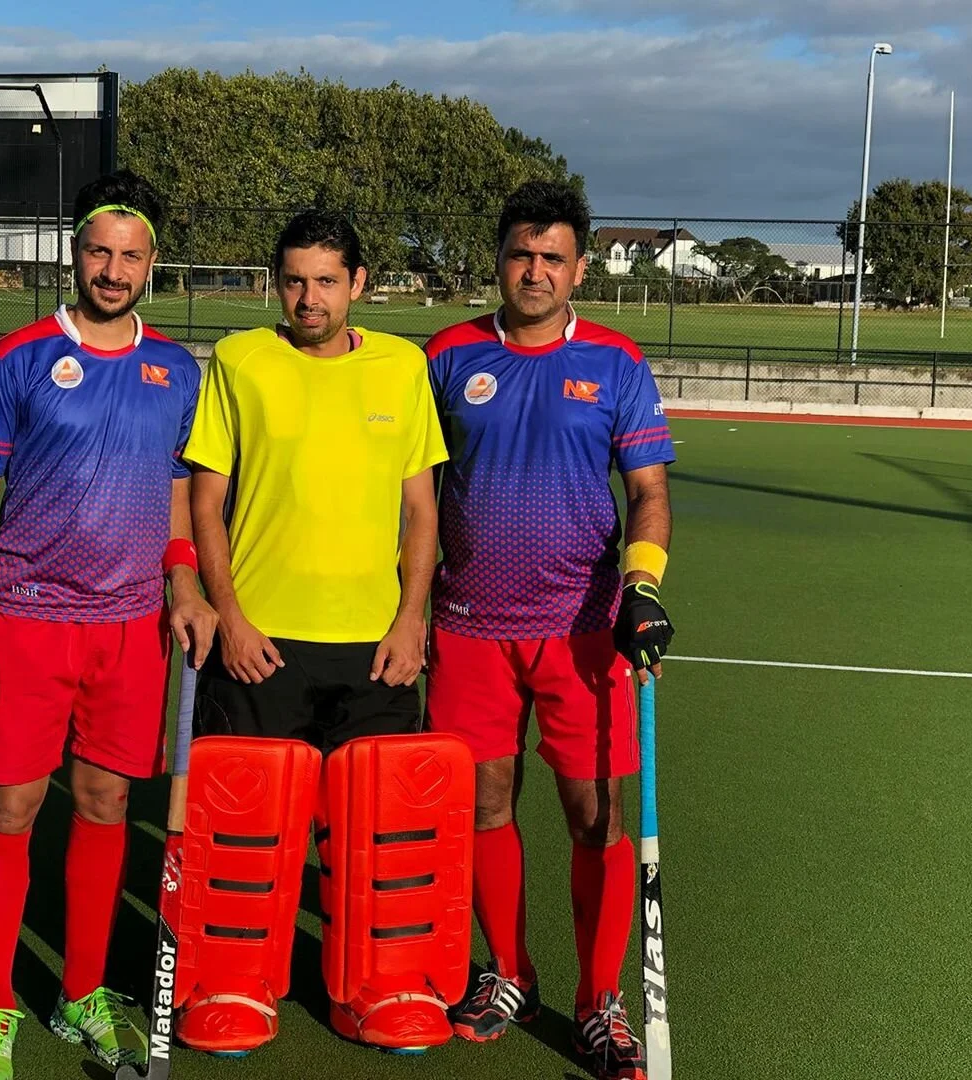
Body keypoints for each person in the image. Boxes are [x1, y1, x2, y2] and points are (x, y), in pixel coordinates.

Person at [0, 170, 217, 1080]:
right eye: (98, 251)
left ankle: (82, 993)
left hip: (131, 629)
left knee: (105, 805)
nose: (112, 269)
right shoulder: (18, 357)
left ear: (151, 264)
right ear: (74, 252)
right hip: (24, 624)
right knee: (10, 807)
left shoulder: (177, 369)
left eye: (130, 255)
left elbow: (178, 497)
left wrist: (183, 584)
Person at [175, 209, 464, 1055]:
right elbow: (206, 501)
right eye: (294, 279)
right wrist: (229, 615)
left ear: (359, 285)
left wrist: (413, 620)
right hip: (260, 643)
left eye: (327, 281)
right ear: (277, 282)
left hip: (376, 644)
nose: (309, 297)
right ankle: (235, 985)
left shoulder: (403, 368)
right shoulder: (238, 361)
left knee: (381, 834)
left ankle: (377, 986)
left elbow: (421, 511)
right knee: (247, 832)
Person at [423, 180, 676, 1080]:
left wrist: (643, 586)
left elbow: (647, 491)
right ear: (499, 258)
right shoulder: (448, 354)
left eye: (553, 258)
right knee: (484, 804)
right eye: (521, 254)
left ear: (579, 268)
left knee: (597, 818)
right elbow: (411, 494)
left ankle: (598, 1001)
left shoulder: (614, 360)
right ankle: (510, 974)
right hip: (466, 628)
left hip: (585, 629)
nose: (535, 271)